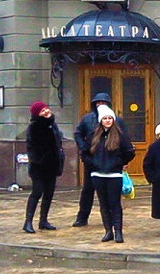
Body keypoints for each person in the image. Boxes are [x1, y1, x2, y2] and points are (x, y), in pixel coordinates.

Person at [72, 93, 125, 227]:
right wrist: (84, 149)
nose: (100, 105)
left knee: (112, 195)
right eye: (97, 103)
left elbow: (124, 140)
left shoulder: (116, 120)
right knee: (87, 189)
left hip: (111, 162)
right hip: (92, 161)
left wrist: (121, 161)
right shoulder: (87, 119)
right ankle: (82, 217)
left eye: (103, 102)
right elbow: (78, 133)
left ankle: (114, 220)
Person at [83, 105, 135, 243]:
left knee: (115, 204)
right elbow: (85, 152)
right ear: (101, 120)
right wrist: (93, 163)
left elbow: (129, 152)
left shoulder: (120, 135)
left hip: (114, 175)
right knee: (103, 204)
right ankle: (108, 231)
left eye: (109, 118)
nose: (107, 121)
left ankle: (118, 231)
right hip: (98, 175)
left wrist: (119, 163)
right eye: (105, 118)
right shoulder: (94, 135)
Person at [23, 102, 64, 233]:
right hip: (39, 167)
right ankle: (28, 222)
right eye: (42, 111)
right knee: (37, 192)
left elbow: (57, 143)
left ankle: (43, 220)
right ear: (37, 114)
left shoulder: (52, 124)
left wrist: (60, 156)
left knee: (49, 194)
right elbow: (32, 147)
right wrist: (39, 160)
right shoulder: (34, 127)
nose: (46, 112)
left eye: (46, 109)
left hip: (52, 166)